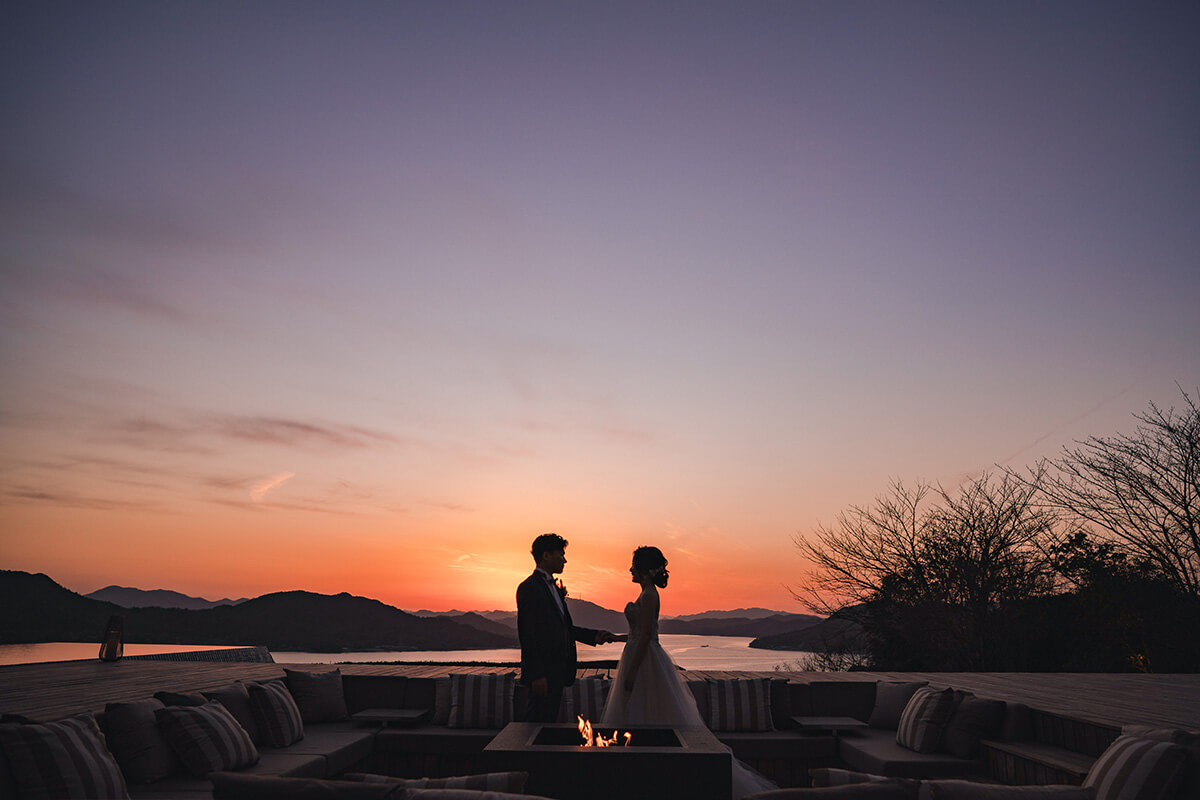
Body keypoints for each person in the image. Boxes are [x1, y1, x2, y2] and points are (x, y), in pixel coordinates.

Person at [600, 546, 776, 800]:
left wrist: (632, 673)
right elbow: (638, 633)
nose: (630, 569)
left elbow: (647, 636)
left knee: (649, 715)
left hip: (645, 663)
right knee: (637, 717)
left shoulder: (649, 595)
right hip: (638, 656)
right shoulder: (645, 594)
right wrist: (614, 638)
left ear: (644, 570)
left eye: (633, 565)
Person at [516, 533, 615, 723]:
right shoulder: (529, 587)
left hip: (557, 672)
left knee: (548, 722)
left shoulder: (553, 588)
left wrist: (594, 636)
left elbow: (564, 628)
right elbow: (527, 634)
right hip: (543, 673)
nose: (565, 560)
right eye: (561, 555)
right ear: (546, 556)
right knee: (535, 725)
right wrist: (537, 675)